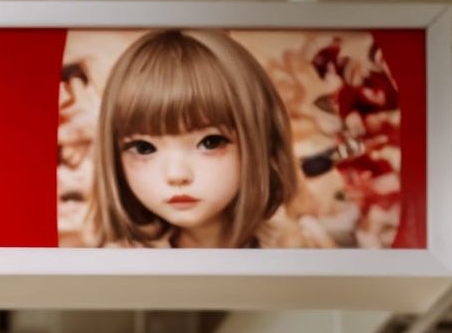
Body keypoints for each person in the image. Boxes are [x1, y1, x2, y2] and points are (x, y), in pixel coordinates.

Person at [88, 27, 301, 250]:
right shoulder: (118, 266)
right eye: (143, 148)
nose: (176, 175)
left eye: (211, 142)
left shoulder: (298, 249)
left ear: (260, 141)